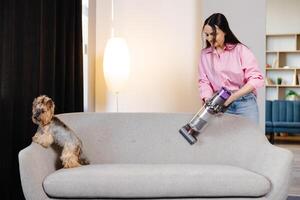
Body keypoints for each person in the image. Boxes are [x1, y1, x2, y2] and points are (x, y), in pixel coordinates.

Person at [198, 13, 264, 124]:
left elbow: (256, 78)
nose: (210, 38)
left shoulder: (241, 50)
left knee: (249, 139)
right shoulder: (204, 55)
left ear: (225, 31)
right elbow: (204, 81)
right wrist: (208, 100)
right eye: (207, 34)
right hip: (220, 104)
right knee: (224, 141)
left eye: (214, 34)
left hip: (245, 104)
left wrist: (233, 96)